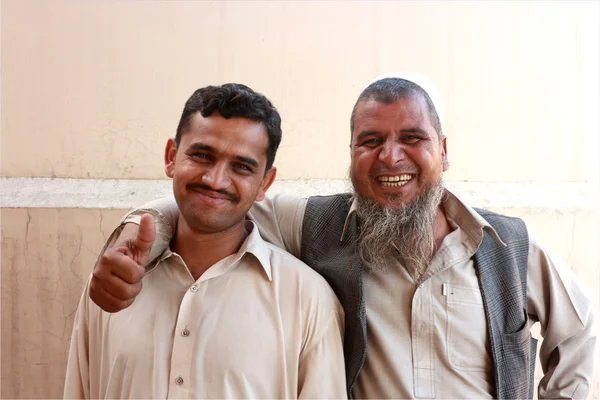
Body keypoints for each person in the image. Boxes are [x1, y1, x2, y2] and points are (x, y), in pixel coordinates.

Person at [87, 75, 597, 399]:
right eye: (370, 141)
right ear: (351, 153)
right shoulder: (313, 225)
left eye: (412, 139)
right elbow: (210, 201)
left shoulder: (506, 246)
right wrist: (136, 238)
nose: (390, 157)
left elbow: (579, 332)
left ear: (443, 151)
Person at [64, 83, 346, 399]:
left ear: (265, 181)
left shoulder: (307, 300)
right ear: (172, 157)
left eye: (241, 166)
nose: (214, 180)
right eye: (202, 155)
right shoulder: (112, 285)